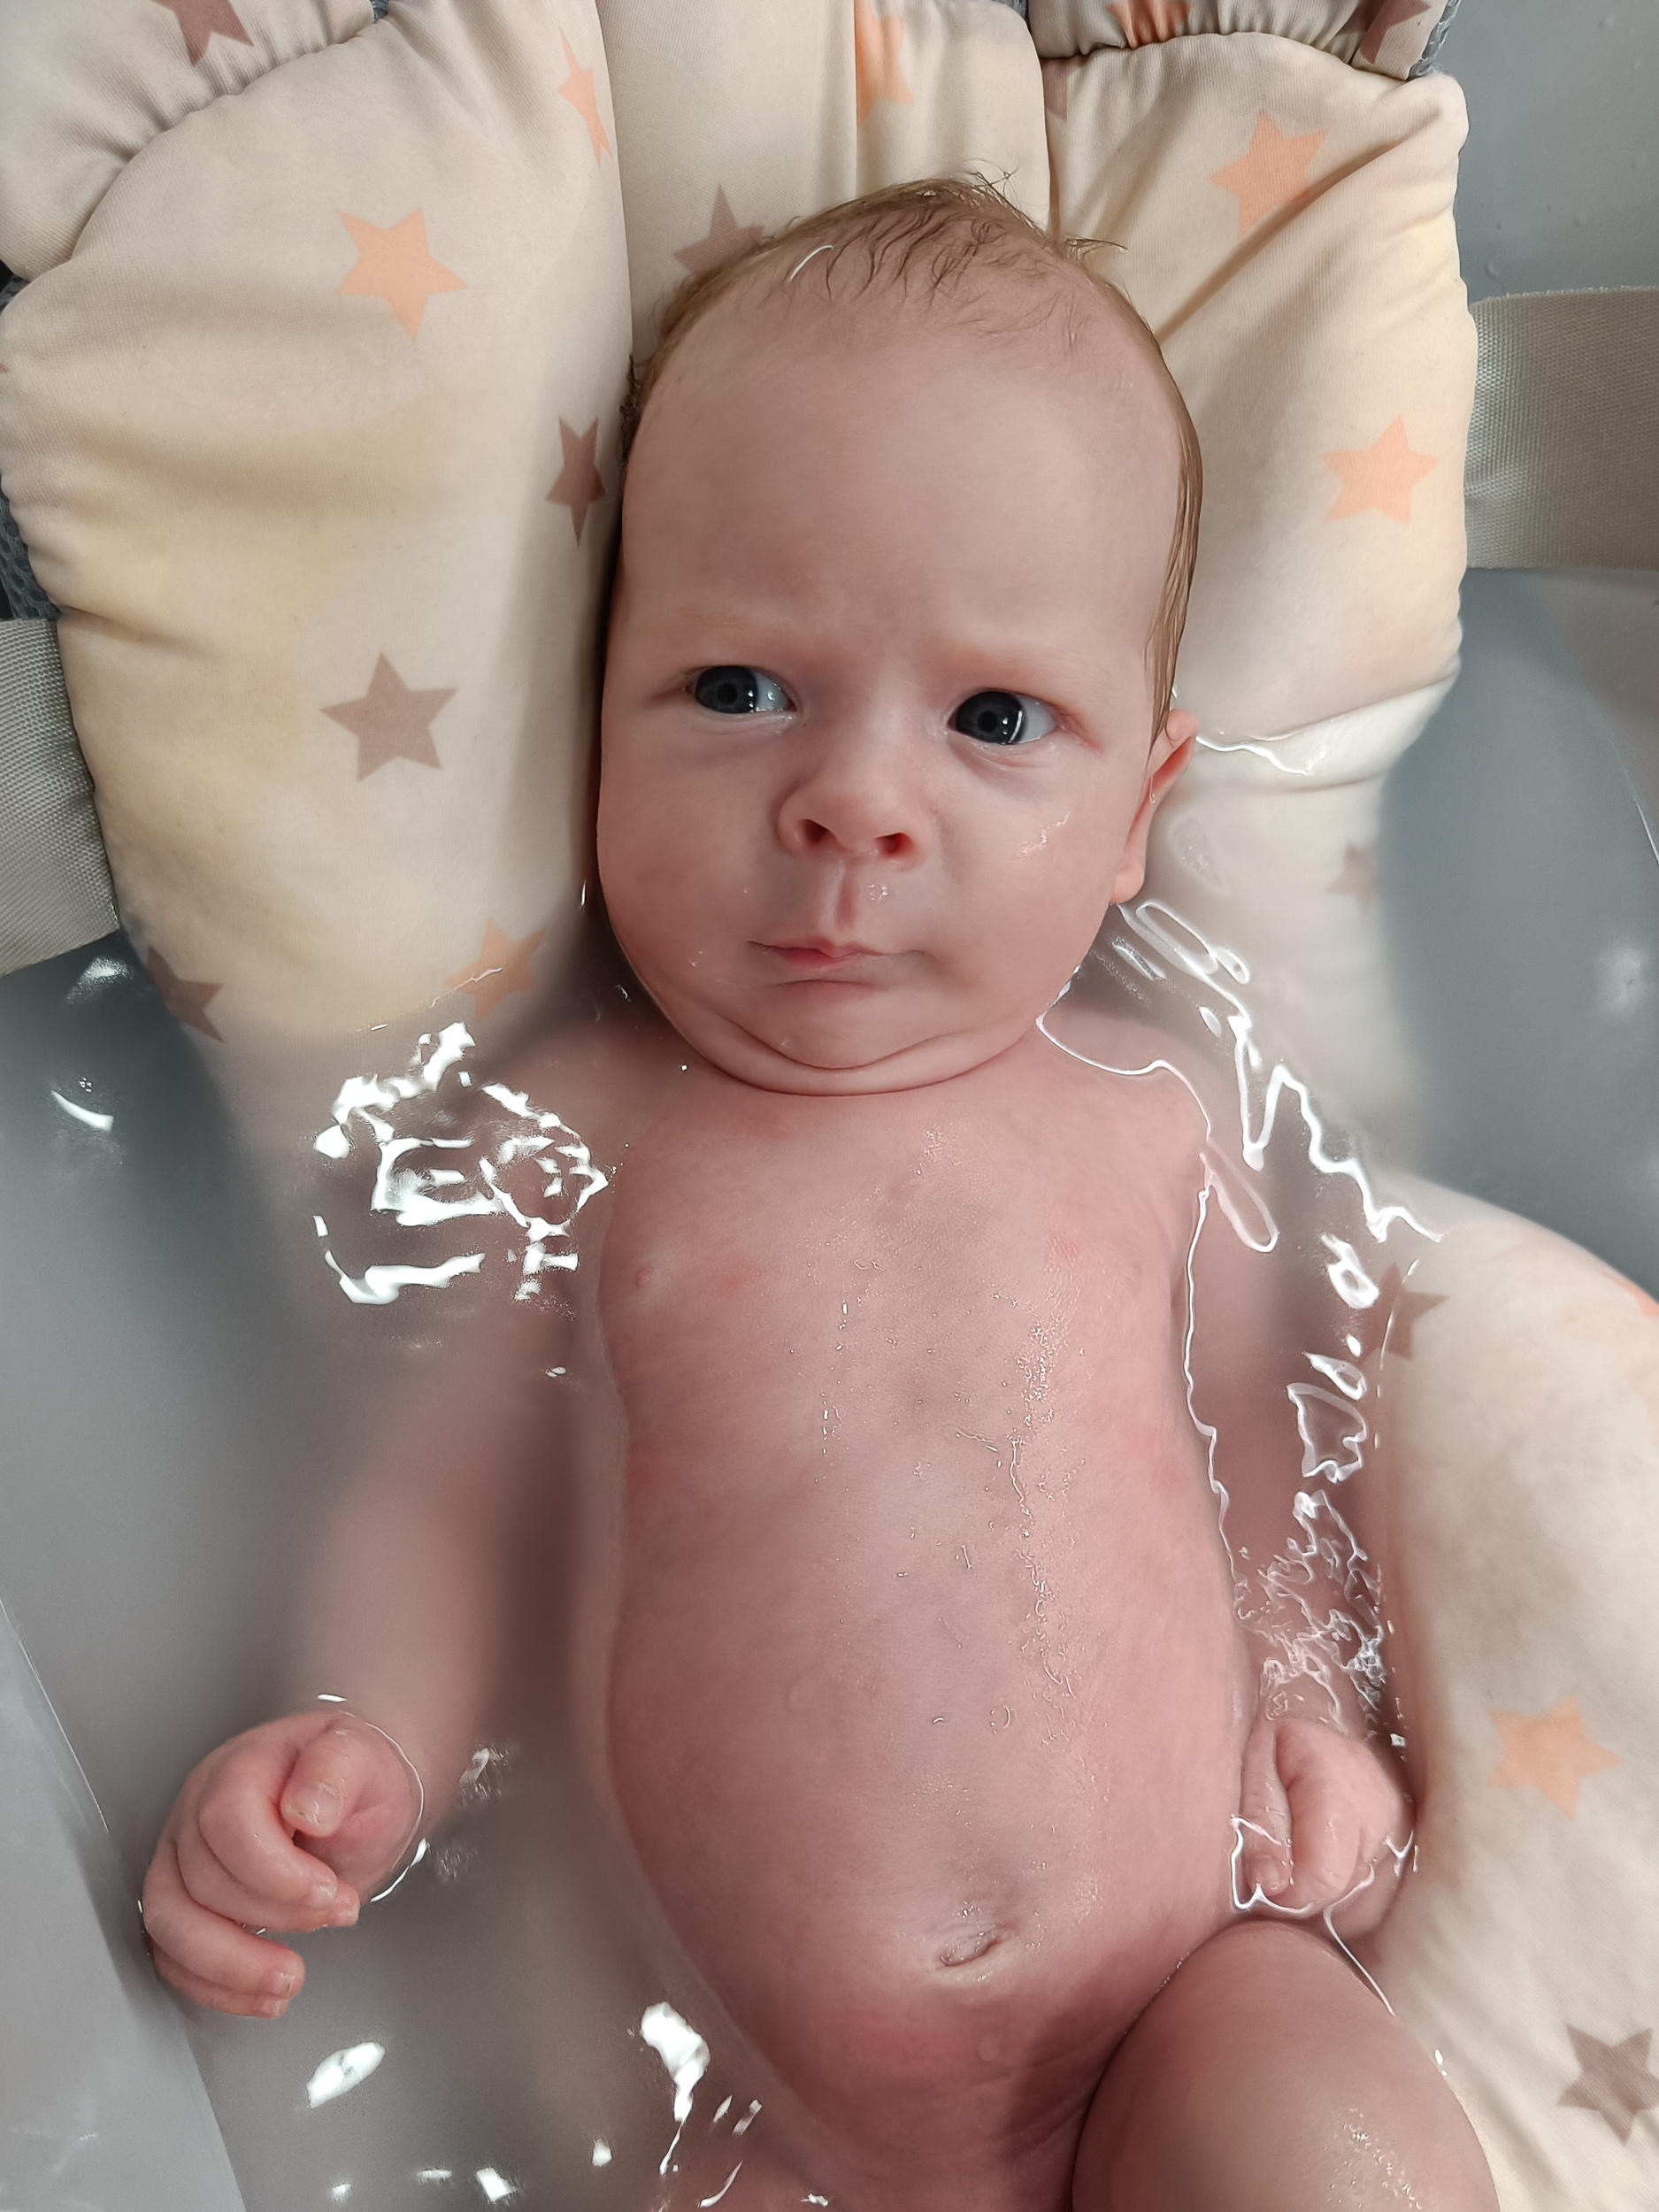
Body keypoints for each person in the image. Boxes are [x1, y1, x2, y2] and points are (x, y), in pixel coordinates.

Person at [140, 180, 1496, 2210]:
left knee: (1337, 2167)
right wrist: (360, 1739)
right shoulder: (577, 1135)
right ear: (590, 705)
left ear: (1137, 809)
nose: (854, 800)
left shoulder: (1156, 1115)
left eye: (993, 719)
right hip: (766, 2118)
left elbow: (1261, 1446)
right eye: (739, 687)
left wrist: (1309, 1702)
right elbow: (440, 1500)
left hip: (1185, 1996)